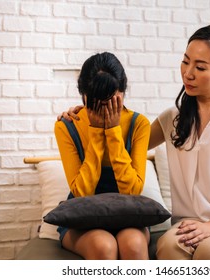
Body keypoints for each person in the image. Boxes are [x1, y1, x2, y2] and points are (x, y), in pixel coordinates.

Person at [59, 24, 210, 260]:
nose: (188, 73)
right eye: (185, 61)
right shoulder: (173, 118)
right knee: (168, 248)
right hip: (192, 223)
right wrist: (89, 112)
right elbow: (123, 145)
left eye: (200, 67)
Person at [54, 52, 151, 260]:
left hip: (127, 214)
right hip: (83, 217)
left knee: (133, 245)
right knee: (103, 246)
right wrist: (97, 132)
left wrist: (113, 131)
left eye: (112, 99)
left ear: (123, 91)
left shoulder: (139, 124)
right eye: (96, 102)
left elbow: (133, 190)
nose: (105, 108)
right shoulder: (67, 126)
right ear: (84, 95)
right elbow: (82, 192)